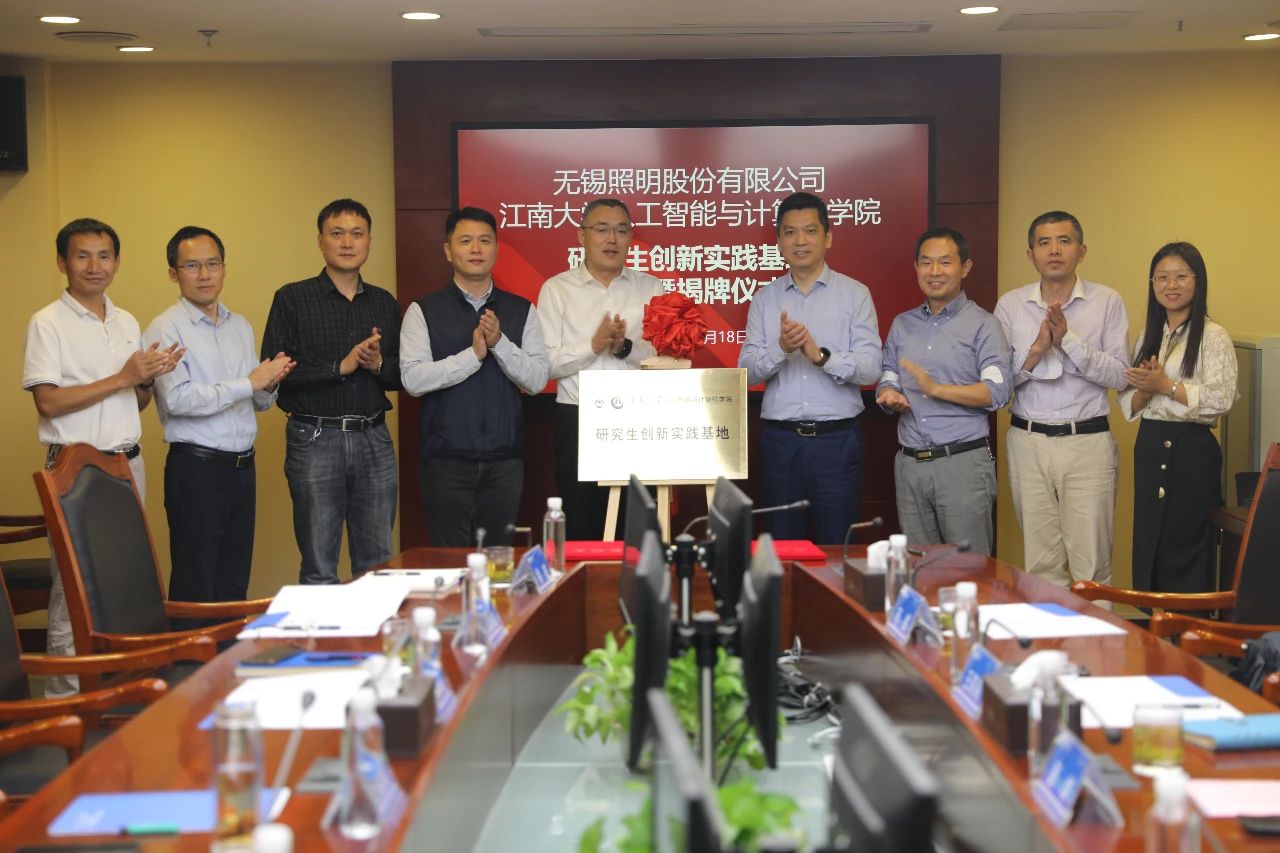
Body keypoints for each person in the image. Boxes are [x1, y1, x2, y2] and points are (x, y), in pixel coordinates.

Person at [22, 218, 182, 694]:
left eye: (104, 255)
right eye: (82, 256)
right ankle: (66, 700)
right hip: (74, 469)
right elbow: (48, 402)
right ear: (62, 263)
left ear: (117, 262)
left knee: (122, 582)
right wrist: (123, 376)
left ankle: (115, 693)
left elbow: (133, 402)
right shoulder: (47, 322)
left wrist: (148, 378)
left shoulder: (126, 320)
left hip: (126, 464)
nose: (95, 266)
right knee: (73, 590)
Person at [143, 226, 294, 614]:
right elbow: (177, 399)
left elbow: (256, 401)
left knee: (233, 581)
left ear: (224, 268)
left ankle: (227, 655)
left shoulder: (239, 325)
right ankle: (189, 655)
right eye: (192, 266)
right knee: (195, 583)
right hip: (197, 470)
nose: (205, 274)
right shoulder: (165, 327)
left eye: (212, 264)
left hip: (242, 469)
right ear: (173, 273)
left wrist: (269, 382)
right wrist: (249, 382)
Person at [261, 199, 401, 584]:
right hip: (315, 437)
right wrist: (340, 367)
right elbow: (274, 372)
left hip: (374, 437)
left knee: (377, 565)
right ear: (320, 240)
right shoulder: (292, 298)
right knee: (319, 565)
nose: (347, 242)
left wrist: (378, 364)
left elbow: (403, 376)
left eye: (357, 234)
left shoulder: (385, 302)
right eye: (337, 233)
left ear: (369, 241)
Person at [993, 211, 1129, 589]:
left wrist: (1068, 341)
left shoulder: (1107, 301)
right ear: (1031, 254)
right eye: (1044, 243)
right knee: (1041, 565)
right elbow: (999, 386)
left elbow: (1120, 375)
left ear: (1081, 251)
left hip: (1087, 441)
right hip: (1027, 441)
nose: (1054, 250)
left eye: (1064, 241)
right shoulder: (1010, 305)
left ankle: (1093, 631)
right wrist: (1036, 351)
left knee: (1092, 568)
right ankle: (1047, 630)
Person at [401, 207, 549, 546]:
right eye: (465, 241)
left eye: (485, 240)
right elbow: (413, 379)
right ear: (448, 250)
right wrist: (472, 357)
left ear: (496, 249)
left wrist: (499, 343)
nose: (476, 249)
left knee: (498, 561)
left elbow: (537, 379)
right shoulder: (423, 311)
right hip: (446, 461)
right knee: (448, 561)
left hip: (504, 461)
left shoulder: (522, 309)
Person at [739, 191, 881, 544]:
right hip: (781, 444)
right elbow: (746, 373)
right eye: (790, 232)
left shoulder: (855, 294)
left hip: (837, 442)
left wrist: (821, 357)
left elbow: (870, 369)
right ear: (779, 241)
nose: (800, 241)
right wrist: (782, 349)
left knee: (836, 547)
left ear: (828, 237)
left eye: (810, 231)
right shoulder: (764, 299)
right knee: (783, 550)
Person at [876, 228, 1011, 555]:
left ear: (965, 267)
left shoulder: (984, 324)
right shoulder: (902, 324)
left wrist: (936, 389)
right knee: (919, 569)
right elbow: (888, 374)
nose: (934, 271)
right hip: (910, 465)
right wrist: (890, 394)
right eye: (926, 263)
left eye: (945, 262)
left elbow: (997, 392)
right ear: (916, 267)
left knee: (969, 570)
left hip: (961, 464)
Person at [538, 198, 665, 539]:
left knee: (637, 527)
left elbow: (662, 358)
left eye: (621, 231)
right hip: (579, 419)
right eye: (602, 229)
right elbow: (546, 364)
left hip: (638, 420)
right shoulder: (557, 290)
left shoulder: (651, 288)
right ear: (582, 236)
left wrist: (624, 348)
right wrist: (592, 346)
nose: (612, 239)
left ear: (631, 238)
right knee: (583, 524)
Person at [1119, 242, 1237, 594]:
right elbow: (1129, 402)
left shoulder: (1213, 335)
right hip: (1151, 442)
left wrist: (1165, 385)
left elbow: (1222, 399)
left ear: (1198, 281)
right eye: (1162, 278)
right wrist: (1146, 388)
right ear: (1152, 284)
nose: (1170, 285)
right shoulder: (1148, 335)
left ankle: (1188, 621)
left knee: (1186, 541)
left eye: (1181, 276)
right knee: (1151, 539)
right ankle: (1159, 619)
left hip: (1191, 449)